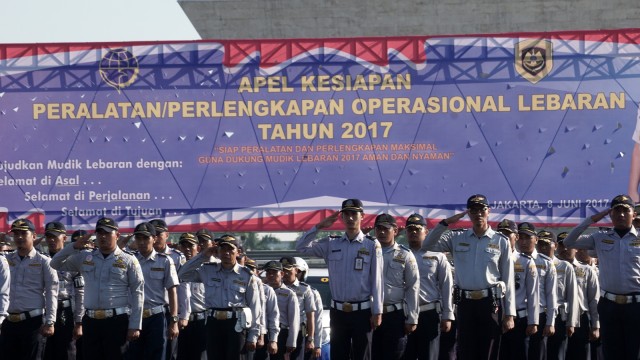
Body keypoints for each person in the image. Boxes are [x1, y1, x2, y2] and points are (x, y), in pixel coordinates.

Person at [420, 194, 515, 360]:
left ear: (488, 211)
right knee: (465, 350)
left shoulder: (501, 241)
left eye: (481, 209)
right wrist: (445, 223)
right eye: (473, 210)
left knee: (489, 351)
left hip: (490, 304)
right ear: (468, 213)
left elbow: (508, 279)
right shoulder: (457, 237)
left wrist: (509, 314)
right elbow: (427, 245)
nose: (478, 213)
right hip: (465, 303)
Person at [296, 198, 383, 360]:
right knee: (338, 356)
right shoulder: (332, 243)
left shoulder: (371, 245)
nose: (350, 218)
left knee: (362, 356)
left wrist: (377, 311)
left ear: (362, 216)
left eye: (354, 214)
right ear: (341, 217)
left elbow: (377, 280)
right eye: (346, 214)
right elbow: (300, 246)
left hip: (362, 312)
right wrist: (319, 226)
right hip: (338, 313)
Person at [50, 217, 144, 360]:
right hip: (91, 321)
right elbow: (55, 263)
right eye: (99, 233)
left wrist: (135, 325)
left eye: (107, 233)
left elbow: (138, 292)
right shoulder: (85, 257)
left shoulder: (128, 260)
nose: (103, 236)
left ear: (117, 235)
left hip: (117, 321)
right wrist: (74, 246)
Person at [562, 194, 640, 359]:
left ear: (634, 214)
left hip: (636, 306)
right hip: (609, 306)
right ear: (610, 214)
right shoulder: (599, 237)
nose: (621, 215)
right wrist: (592, 219)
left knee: (635, 353)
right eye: (616, 210)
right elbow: (569, 242)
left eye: (626, 210)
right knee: (612, 353)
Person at [178, 234, 261, 360]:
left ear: (237, 252)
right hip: (213, 323)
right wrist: (203, 255)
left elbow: (255, 307)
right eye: (223, 249)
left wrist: (253, 336)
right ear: (217, 251)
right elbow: (183, 274)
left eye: (230, 249)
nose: (226, 253)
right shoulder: (207, 270)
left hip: (236, 324)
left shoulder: (246, 275)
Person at [0, 218, 59, 360]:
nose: (19, 237)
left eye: (23, 233)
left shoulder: (44, 261)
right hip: (8, 323)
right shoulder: (5, 260)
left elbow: (52, 293)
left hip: (32, 324)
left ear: (33, 236)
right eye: (16, 234)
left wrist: (50, 322)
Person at [404, 213, 454, 360]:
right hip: (404, 315)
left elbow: (447, 287)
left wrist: (447, 315)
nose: (413, 232)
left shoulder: (438, 256)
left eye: (417, 229)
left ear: (426, 232)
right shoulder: (400, 254)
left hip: (429, 314)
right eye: (410, 229)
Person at [368, 213, 418, 360]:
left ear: (395, 231)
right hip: (368, 315)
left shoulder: (405, 254)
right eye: (379, 229)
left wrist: (412, 318)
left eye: (386, 229)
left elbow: (412, 287)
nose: (382, 232)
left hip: (394, 315)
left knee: (395, 355)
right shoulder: (366, 252)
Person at [127, 222, 180, 360]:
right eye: (139, 238)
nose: (142, 242)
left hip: (156, 317)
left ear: (154, 238)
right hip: (133, 316)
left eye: (146, 238)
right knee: (132, 355)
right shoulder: (129, 260)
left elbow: (172, 292)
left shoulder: (165, 261)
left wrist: (174, 321)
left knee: (157, 356)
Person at [43, 221, 85, 360]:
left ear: (64, 238)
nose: (51, 240)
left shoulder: (73, 260)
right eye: (49, 236)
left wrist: (79, 322)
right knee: (45, 353)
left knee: (67, 352)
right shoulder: (41, 259)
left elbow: (80, 293)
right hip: (44, 312)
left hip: (65, 313)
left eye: (55, 236)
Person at [498, 221, 539, 360]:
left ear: (516, 237)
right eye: (500, 234)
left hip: (519, 320)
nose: (503, 237)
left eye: (507, 234)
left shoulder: (526, 261)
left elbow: (533, 294)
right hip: (495, 318)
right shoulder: (489, 259)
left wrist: (533, 321)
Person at [149, 219, 188, 360]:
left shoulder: (177, 257)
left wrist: (183, 315)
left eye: (160, 234)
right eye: (154, 234)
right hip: (148, 312)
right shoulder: (138, 256)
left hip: (169, 312)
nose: (157, 237)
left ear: (167, 235)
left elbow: (183, 288)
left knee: (170, 352)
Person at [556, 232, 600, 360]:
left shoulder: (586, 270)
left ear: (575, 248)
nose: (564, 249)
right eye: (561, 245)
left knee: (581, 354)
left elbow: (594, 300)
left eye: (567, 246)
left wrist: (596, 325)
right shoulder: (551, 268)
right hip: (559, 318)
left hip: (581, 318)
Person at [537, 230, 579, 360]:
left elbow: (573, 297)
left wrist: (571, 322)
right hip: (539, 315)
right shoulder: (533, 264)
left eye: (547, 244)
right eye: (541, 244)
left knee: (558, 355)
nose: (543, 248)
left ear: (555, 245)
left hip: (560, 317)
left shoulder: (565, 266)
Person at [176, 233, 208, 360]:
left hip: (201, 321)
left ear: (198, 248)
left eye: (190, 245)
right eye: (183, 246)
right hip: (180, 322)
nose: (187, 249)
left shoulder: (206, 269)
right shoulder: (173, 267)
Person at [259, 260, 298, 360]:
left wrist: (291, 341)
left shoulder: (289, 293)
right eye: (268, 273)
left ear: (281, 274)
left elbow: (294, 320)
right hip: (262, 331)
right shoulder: (260, 290)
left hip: (281, 332)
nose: (271, 275)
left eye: (274, 273)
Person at [280, 256, 316, 360]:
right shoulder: (275, 288)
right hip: (280, 331)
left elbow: (310, 316)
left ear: (296, 270)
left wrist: (310, 339)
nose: (285, 273)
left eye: (288, 270)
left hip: (299, 332)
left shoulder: (305, 289)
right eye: (282, 270)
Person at [294, 256, 329, 359]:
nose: (296, 274)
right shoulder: (277, 291)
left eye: (298, 271)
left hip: (305, 338)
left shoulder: (311, 292)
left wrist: (316, 344)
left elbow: (317, 320)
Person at [246, 257, 280, 360]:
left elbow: (273, 315)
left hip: (260, 334)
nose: (249, 272)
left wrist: (273, 340)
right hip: (240, 331)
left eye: (252, 269)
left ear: (257, 272)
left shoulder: (267, 289)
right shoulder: (238, 286)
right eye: (246, 269)